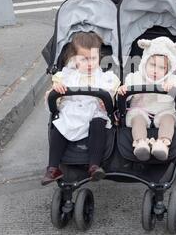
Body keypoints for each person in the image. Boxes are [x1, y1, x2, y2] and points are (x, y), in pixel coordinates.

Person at [41, 32, 121, 185]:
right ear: (75, 59)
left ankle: (94, 165)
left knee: (99, 123)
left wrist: (109, 100)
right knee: (58, 126)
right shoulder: (67, 77)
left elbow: (113, 93)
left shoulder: (105, 78)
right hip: (73, 112)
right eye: (84, 59)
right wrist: (57, 91)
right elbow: (54, 99)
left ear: (99, 57)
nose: (90, 63)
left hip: (94, 112)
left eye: (93, 58)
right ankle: (53, 168)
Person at [118, 37, 176, 162]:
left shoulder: (173, 81)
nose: (156, 70)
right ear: (145, 62)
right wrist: (124, 90)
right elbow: (126, 97)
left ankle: (162, 144)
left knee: (169, 120)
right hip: (141, 110)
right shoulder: (135, 78)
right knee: (137, 120)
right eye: (153, 65)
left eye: (162, 68)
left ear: (168, 69)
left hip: (164, 111)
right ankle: (140, 143)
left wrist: (172, 89)